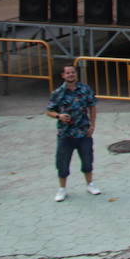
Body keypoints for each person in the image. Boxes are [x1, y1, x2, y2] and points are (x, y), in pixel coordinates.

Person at [45, 65, 100, 202]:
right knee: (62, 161)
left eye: (73, 72)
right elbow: (49, 111)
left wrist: (92, 125)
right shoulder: (58, 93)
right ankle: (62, 189)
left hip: (83, 132)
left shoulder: (85, 89)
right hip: (65, 134)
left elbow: (92, 107)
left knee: (87, 159)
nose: (71, 75)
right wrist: (59, 116)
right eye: (68, 73)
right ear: (63, 75)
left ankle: (90, 184)